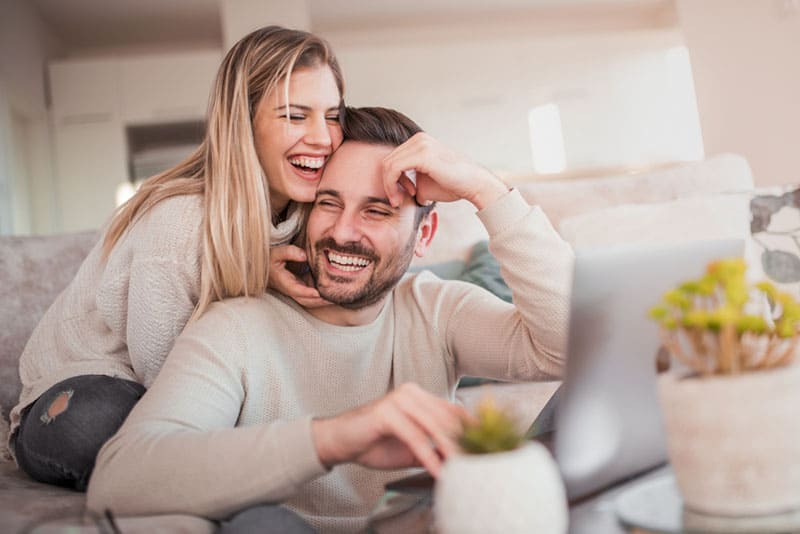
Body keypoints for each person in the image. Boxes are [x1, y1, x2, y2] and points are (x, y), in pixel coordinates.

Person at [86, 107, 574, 533]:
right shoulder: (235, 327)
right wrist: (337, 437)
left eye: (377, 211)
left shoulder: (436, 308)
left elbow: (565, 347)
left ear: (424, 236)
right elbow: (120, 480)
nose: (343, 232)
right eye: (328, 202)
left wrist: (486, 190)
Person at [8, 25, 345, 491]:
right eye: (294, 116)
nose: (323, 137)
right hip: (88, 386)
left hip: (184, 398)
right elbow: (167, 382)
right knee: (95, 424)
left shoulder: (308, 214)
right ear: (243, 122)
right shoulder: (180, 221)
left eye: (332, 116)